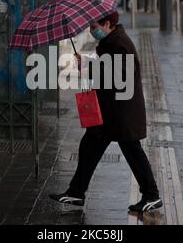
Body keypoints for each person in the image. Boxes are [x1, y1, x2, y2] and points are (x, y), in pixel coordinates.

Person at [49, 11, 162, 213]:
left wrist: (89, 67)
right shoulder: (112, 41)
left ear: (107, 24)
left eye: (94, 27)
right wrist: (87, 64)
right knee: (89, 147)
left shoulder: (120, 44)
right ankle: (76, 192)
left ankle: (151, 195)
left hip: (121, 112)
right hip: (110, 110)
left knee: (132, 151)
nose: (92, 31)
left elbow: (119, 76)